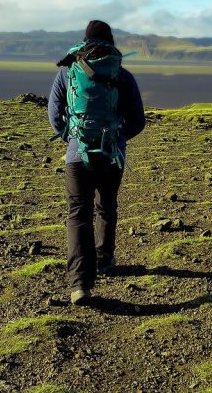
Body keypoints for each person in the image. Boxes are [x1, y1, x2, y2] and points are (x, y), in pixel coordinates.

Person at [48, 20, 145, 305]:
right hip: (112, 155)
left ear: (84, 40)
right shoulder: (123, 75)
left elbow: (54, 115)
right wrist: (117, 138)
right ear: (111, 41)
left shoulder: (68, 72)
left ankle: (80, 284)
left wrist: (73, 138)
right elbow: (138, 121)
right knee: (106, 205)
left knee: (78, 214)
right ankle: (104, 259)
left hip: (77, 155)